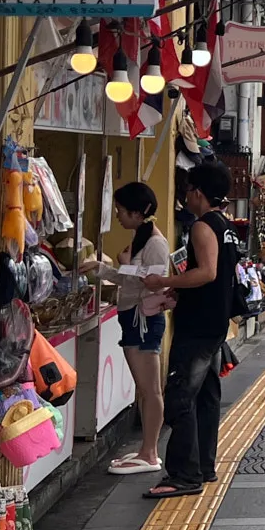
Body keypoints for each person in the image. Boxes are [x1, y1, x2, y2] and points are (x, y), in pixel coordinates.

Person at [144, 162, 236, 500]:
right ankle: (204, 465)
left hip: (198, 326)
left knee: (180, 398)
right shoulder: (224, 225)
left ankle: (184, 474)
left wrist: (164, 281)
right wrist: (179, 293)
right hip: (214, 321)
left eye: (188, 190)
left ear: (197, 192)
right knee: (206, 396)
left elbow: (208, 272)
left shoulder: (202, 226)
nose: (185, 196)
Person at [79, 182, 173, 476]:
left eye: (120, 210)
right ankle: (147, 449)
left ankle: (150, 452)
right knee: (144, 389)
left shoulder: (155, 243)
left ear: (136, 212)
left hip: (142, 319)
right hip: (134, 317)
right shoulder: (143, 239)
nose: (117, 216)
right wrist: (105, 269)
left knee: (150, 389)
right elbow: (134, 278)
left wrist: (114, 267)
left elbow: (149, 280)